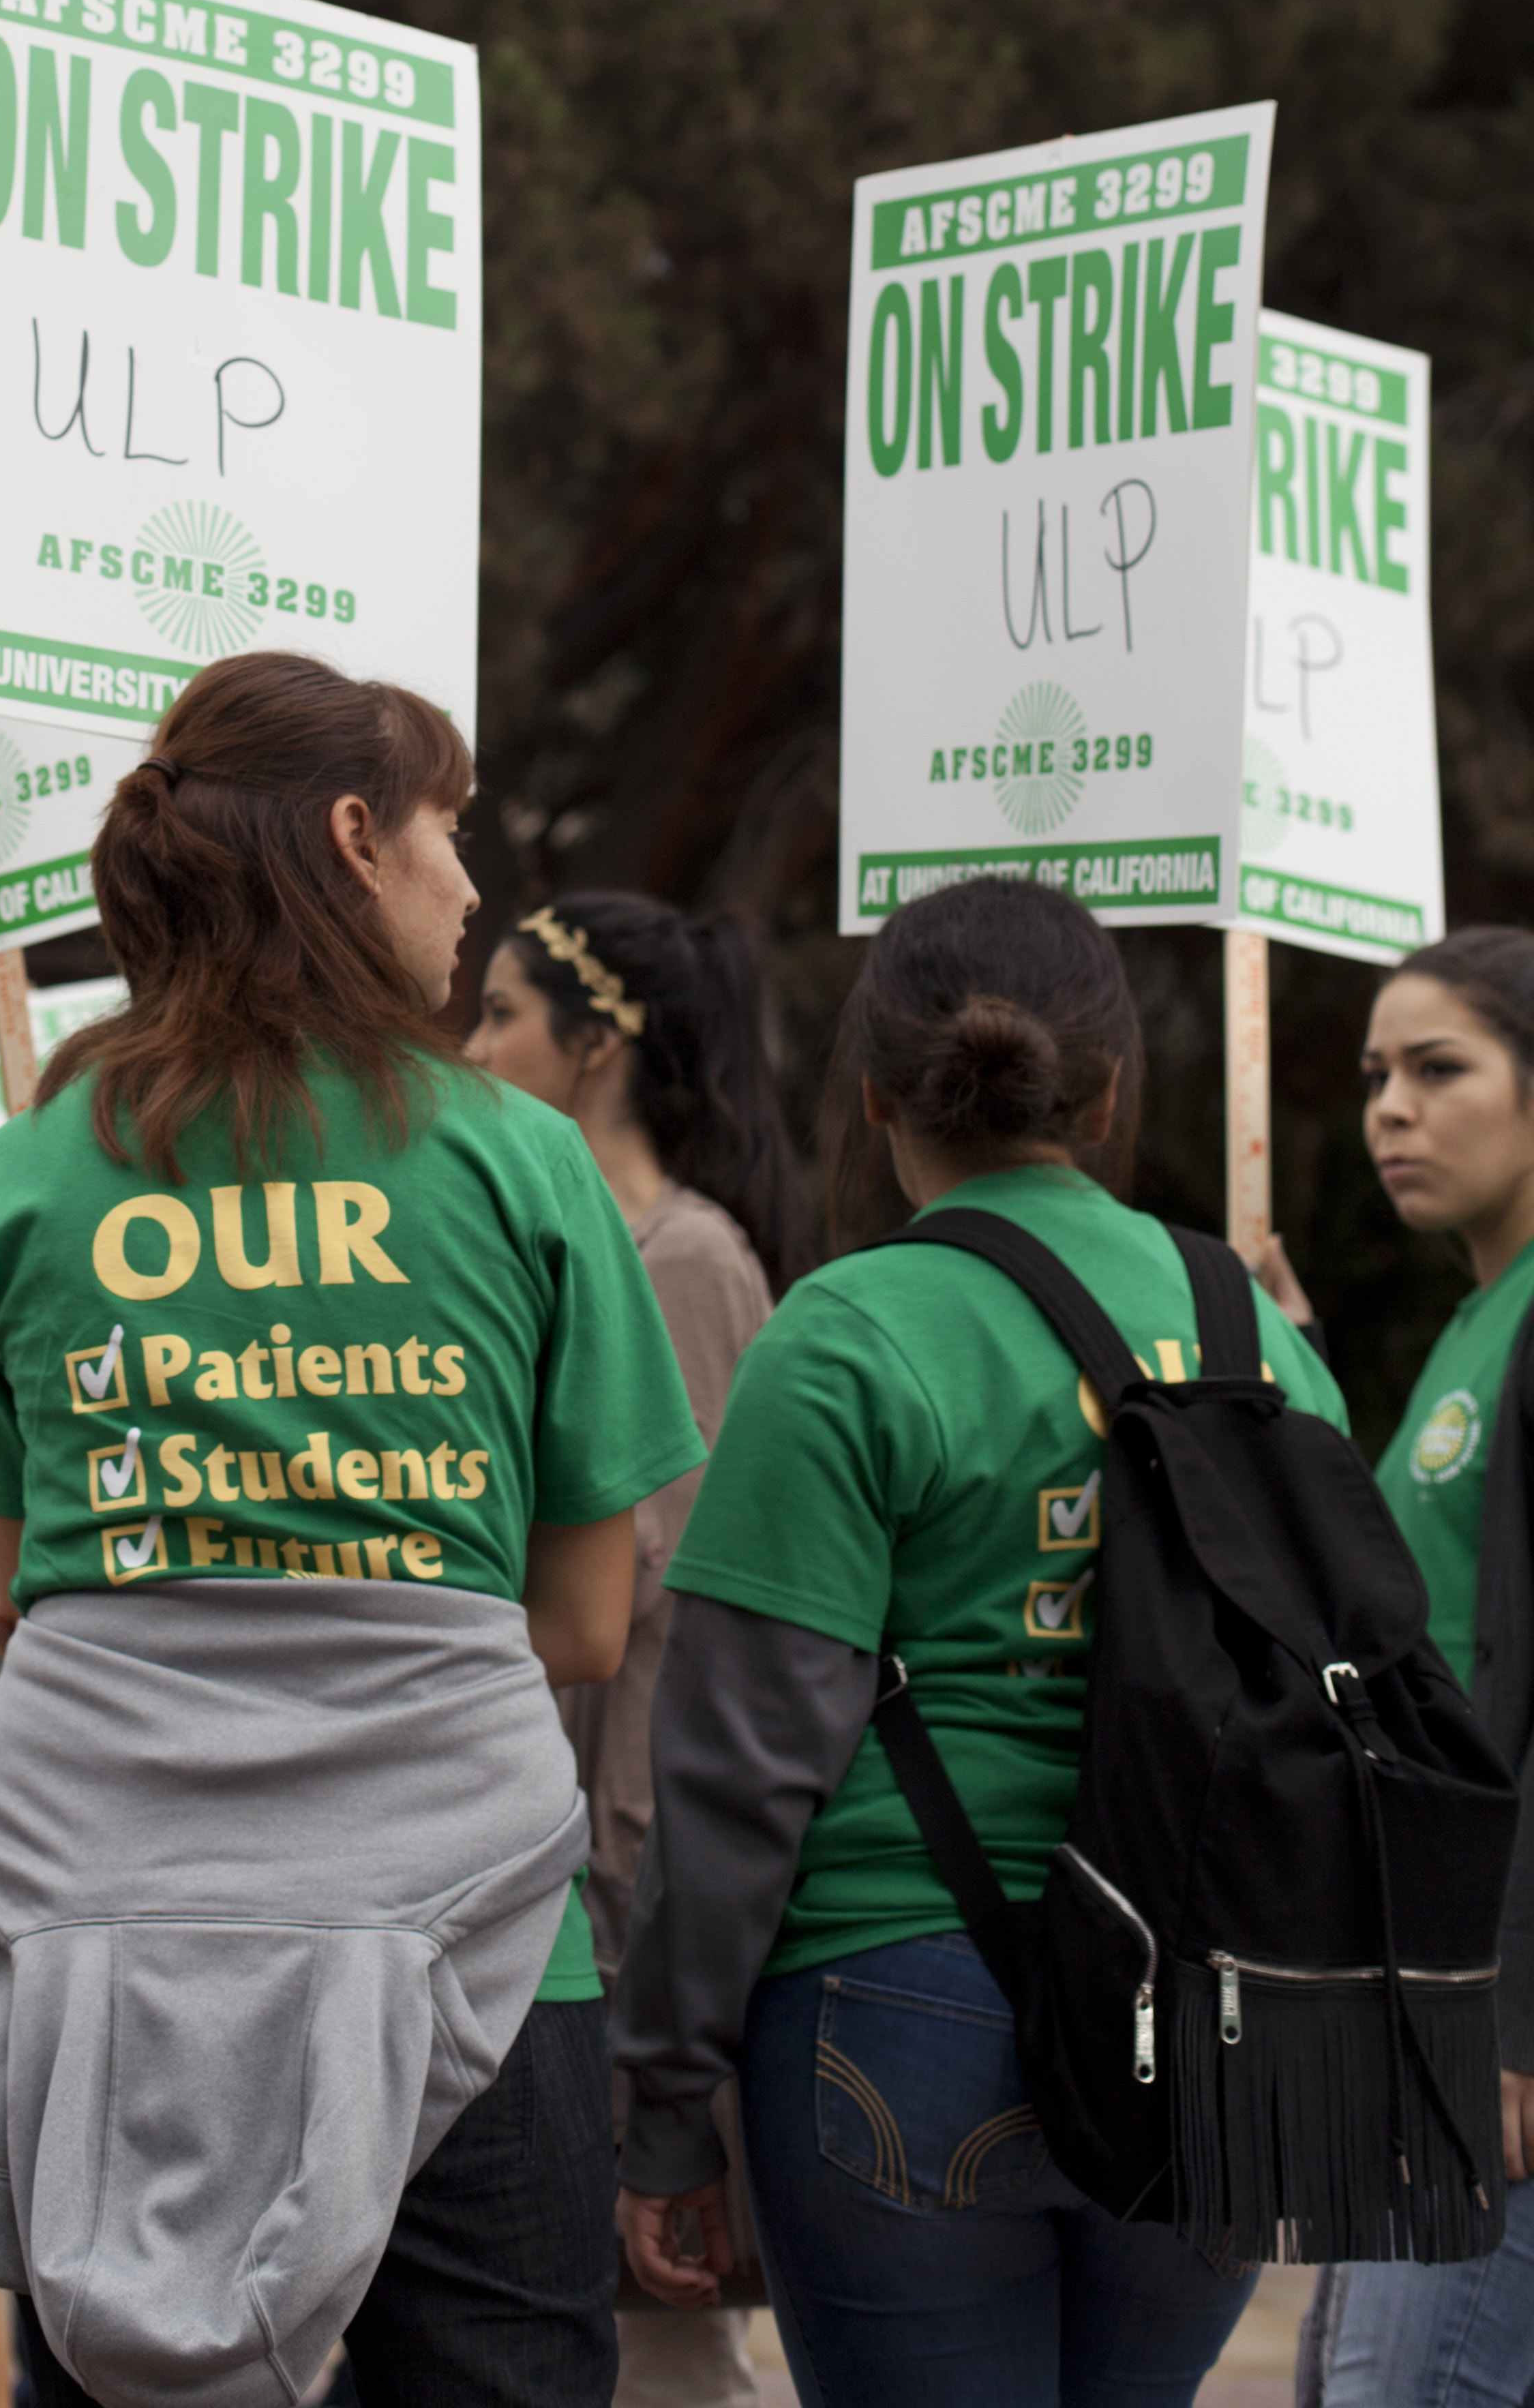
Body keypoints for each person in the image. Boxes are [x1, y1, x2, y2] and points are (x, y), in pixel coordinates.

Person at [0, 649, 707, 2408]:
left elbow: (29, 1592)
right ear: (349, 836)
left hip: (112, 1938)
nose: (470, 883)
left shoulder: (30, 1168)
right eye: (446, 830)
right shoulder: (520, 1160)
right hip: (469, 1941)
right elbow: (582, 1627)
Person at [612, 875, 1347, 2408]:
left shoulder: (849, 1331)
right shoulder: (1258, 1337)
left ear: (872, 1087)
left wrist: (668, 2100)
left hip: (908, 1995)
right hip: (1214, 2013)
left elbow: (741, 1774)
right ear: (1112, 1085)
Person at [468, 896, 809, 2408]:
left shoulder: (680, 1259)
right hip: (535, 1843)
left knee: (662, 2346)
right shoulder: (551, 1239)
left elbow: (625, 1588)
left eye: (500, 1016)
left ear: (596, 1046)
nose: (469, 1048)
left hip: (620, 1860)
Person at [1301, 927, 1534, 2405]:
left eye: (1441, 1069)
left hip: (1484, 2023)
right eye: (1379, 1073)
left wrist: (1509, 2013)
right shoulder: (1476, 1318)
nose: (1390, 1107)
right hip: (1415, 2002)